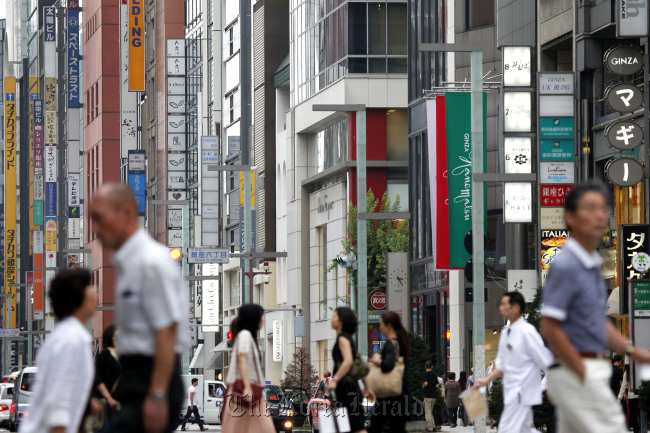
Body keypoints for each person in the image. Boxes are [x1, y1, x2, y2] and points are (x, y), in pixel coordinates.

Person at [541, 183, 650, 433]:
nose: (600, 216)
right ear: (570, 217)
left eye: (602, 209)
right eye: (590, 209)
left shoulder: (590, 264)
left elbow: (598, 323)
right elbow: (550, 325)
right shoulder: (567, 264)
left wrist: (632, 350)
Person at [90, 183, 189, 433]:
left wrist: (157, 395)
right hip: (139, 380)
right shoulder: (131, 263)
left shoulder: (149, 262)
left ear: (125, 213)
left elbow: (167, 328)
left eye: (99, 218)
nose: (96, 229)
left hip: (152, 380)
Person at [19, 268, 97, 433]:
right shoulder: (72, 339)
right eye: (89, 287)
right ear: (76, 298)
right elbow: (58, 408)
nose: (95, 292)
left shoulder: (65, 336)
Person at [475, 291, 553, 433]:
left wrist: (553, 386)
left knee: (507, 429)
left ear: (516, 308)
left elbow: (545, 360)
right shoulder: (506, 332)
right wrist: (486, 380)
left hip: (523, 392)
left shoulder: (527, 332)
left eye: (504, 304)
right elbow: (502, 365)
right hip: (512, 392)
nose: (500, 308)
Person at [222, 304, 275, 433]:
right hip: (247, 392)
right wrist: (247, 387)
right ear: (254, 318)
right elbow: (242, 358)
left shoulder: (244, 336)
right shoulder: (245, 335)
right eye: (261, 316)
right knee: (264, 429)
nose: (264, 319)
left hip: (245, 394)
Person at [327, 307, 375, 433]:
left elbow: (348, 362)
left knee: (357, 426)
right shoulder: (348, 339)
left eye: (334, 316)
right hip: (350, 388)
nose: (332, 319)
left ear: (342, 320)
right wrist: (368, 388)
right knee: (352, 425)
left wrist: (335, 380)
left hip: (347, 388)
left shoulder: (342, 338)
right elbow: (359, 366)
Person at [369, 311, 410, 433]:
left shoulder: (392, 344)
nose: (380, 328)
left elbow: (388, 365)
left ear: (389, 326)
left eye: (382, 325)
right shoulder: (398, 343)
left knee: (374, 428)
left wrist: (377, 360)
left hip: (389, 398)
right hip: (395, 398)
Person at [93, 324, 122, 428]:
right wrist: (109, 398)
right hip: (108, 404)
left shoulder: (125, 355)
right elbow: (97, 377)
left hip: (121, 404)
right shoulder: (106, 353)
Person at [422, 360, 438, 432]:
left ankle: (429, 428)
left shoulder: (425, 374)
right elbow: (437, 385)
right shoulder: (434, 375)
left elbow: (426, 383)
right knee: (430, 412)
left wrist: (423, 386)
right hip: (433, 395)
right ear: (432, 366)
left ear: (425, 366)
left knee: (428, 412)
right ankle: (433, 427)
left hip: (427, 395)